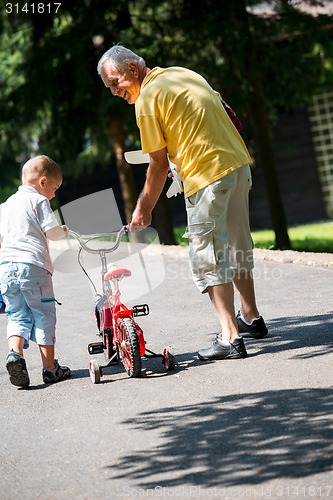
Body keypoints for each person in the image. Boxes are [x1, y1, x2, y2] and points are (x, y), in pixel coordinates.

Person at [97, 44, 268, 361]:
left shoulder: (147, 100)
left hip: (207, 178)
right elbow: (219, 107)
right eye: (109, 87)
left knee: (208, 257)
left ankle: (230, 337)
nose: (114, 91)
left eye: (115, 81)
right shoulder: (182, 74)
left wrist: (143, 208)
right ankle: (251, 318)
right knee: (237, 244)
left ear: (133, 69)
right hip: (237, 167)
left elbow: (158, 164)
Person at [0, 155, 71, 387]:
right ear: (43, 182)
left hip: (6, 267)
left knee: (16, 314)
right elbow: (51, 232)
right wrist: (63, 230)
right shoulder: (40, 202)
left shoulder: (6, 205)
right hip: (33, 267)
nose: (54, 193)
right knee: (43, 314)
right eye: (54, 187)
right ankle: (50, 369)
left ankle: (15, 355)